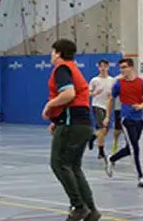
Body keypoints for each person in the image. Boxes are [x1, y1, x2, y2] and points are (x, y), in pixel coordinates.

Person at [42, 39, 101, 221]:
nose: (51, 55)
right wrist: (57, 119)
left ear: (58, 53)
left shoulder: (62, 69)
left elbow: (69, 94)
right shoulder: (74, 69)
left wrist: (49, 106)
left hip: (72, 123)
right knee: (74, 166)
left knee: (58, 163)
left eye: (52, 52)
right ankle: (91, 210)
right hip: (82, 123)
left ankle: (78, 206)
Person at [104, 58, 143, 188]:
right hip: (126, 118)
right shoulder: (119, 84)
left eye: (124, 67)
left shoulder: (141, 83)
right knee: (135, 148)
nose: (122, 70)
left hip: (139, 119)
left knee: (129, 148)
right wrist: (107, 116)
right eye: (121, 68)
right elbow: (110, 99)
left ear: (131, 67)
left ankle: (112, 158)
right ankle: (141, 177)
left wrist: (141, 106)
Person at [87, 60, 117, 159]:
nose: (103, 68)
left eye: (105, 66)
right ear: (98, 68)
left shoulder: (112, 80)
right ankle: (101, 152)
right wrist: (95, 93)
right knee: (102, 128)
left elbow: (115, 93)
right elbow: (88, 93)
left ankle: (92, 137)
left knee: (105, 130)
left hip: (108, 106)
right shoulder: (94, 80)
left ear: (108, 67)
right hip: (97, 105)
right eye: (101, 66)